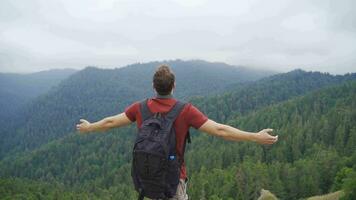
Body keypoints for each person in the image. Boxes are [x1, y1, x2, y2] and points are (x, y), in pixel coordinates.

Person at [76, 65, 278, 200]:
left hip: (147, 178)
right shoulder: (185, 110)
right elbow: (220, 130)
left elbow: (111, 122)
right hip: (174, 180)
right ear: (174, 86)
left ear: (153, 87)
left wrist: (89, 127)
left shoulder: (140, 108)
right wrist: (255, 136)